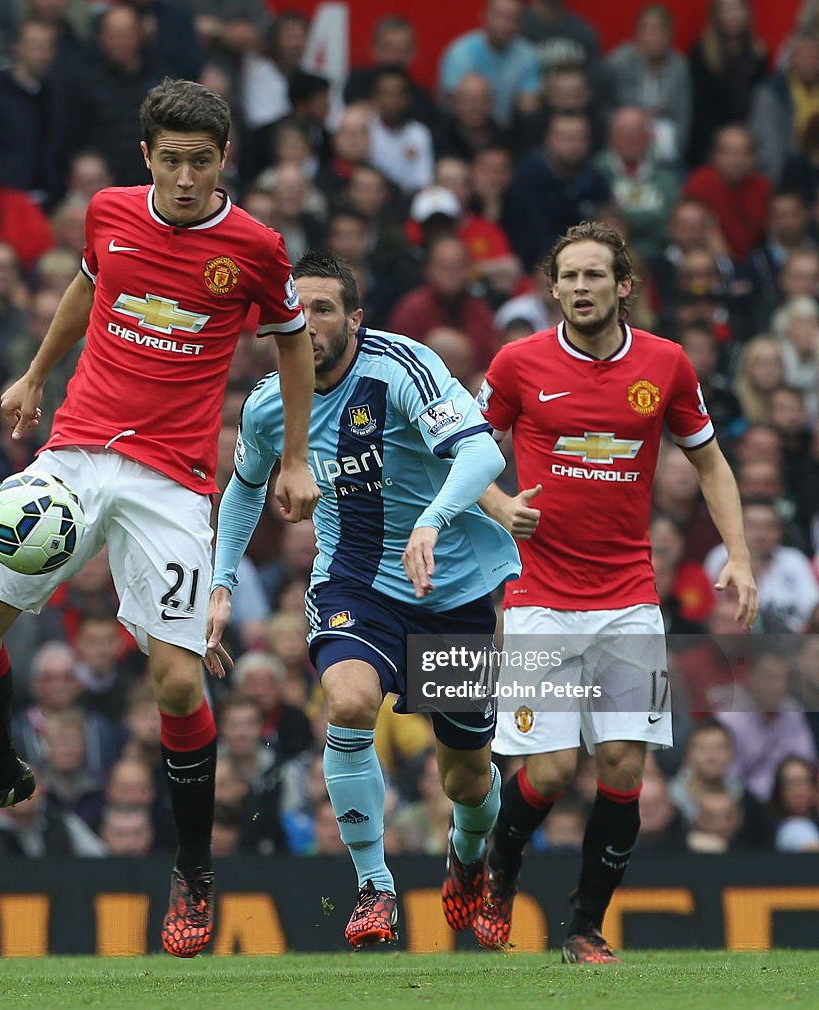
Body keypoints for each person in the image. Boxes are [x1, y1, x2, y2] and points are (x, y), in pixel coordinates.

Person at [0, 78, 319, 959]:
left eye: (200, 163)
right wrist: (33, 374)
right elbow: (87, 289)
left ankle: (195, 874)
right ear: (146, 158)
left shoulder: (253, 247)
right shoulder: (106, 212)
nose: (183, 177)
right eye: (169, 160)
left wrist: (293, 456)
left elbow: (292, 339)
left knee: (176, 683)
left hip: (172, 480)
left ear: (223, 164)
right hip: (77, 450)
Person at [209, 251, 521, 948]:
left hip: (451, 590)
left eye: (324, 309)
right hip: (355, 584)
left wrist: (431, 522)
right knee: (348, 703)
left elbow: (482, 457)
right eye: (298, 310)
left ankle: (469, 855)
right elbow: (244, 491)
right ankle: (374, 888)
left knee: (467, 779)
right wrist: (221, 587)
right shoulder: (267, 404)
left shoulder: (401, 367)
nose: (309, 324)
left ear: (354, 318)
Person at [473, 220, 758, 963]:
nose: (579, 288)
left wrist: (740, 555)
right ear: (552, 286)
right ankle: (499, 870)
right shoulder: (516, 363)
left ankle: (584, 926)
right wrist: (500, 507)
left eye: (594, 276)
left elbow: (713, 464)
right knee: (551, 770)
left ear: (623, 286)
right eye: (568, 277)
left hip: (628, 595)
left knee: (626, 765)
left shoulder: (664, 365)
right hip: (538, 597)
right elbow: (465, 454)